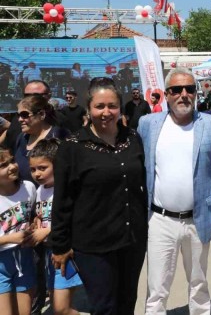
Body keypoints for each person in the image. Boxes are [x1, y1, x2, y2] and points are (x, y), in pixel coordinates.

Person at [138, 68, 211, 315]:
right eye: (176, 90)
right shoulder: (148, 124)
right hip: (159, 220)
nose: (184, 95)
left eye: (189, 89)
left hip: (198, 219)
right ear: (166, 95)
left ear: (196, 93)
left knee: (199, 284)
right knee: (157, 288)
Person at [51, 77, 147, 315]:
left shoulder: (133, 138)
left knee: (127, 302)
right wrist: (60, 245)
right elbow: (62, 200)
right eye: (100, 106)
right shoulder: (72, 147)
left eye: (112, 106)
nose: (106, 112)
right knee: (104, 306)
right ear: (89, 108)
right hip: (93, 244)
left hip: (131, 239)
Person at [29, 139, 82, 315]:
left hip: (65, 253)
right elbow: (42, 214)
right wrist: (37, 222)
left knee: (60, 308)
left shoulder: (65, 188)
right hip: (48, 253)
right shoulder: (40, 189)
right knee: (55, 304)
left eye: (42, 168)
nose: (37, 174)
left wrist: (47, 230)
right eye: (33, 169)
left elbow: (74, 217)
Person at [0, 148, 36, 315]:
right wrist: (10, 238)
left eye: (12, 161)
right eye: (3, 165)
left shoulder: (28, 187)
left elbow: (36, 215)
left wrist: (34, 227)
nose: (12, 166)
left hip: (25, 257)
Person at [15, 95, 68, 184]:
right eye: (18, 115)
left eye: (24, 115)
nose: (20, 119)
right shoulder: (21, 137)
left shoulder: (60, 136)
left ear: (42, 114)